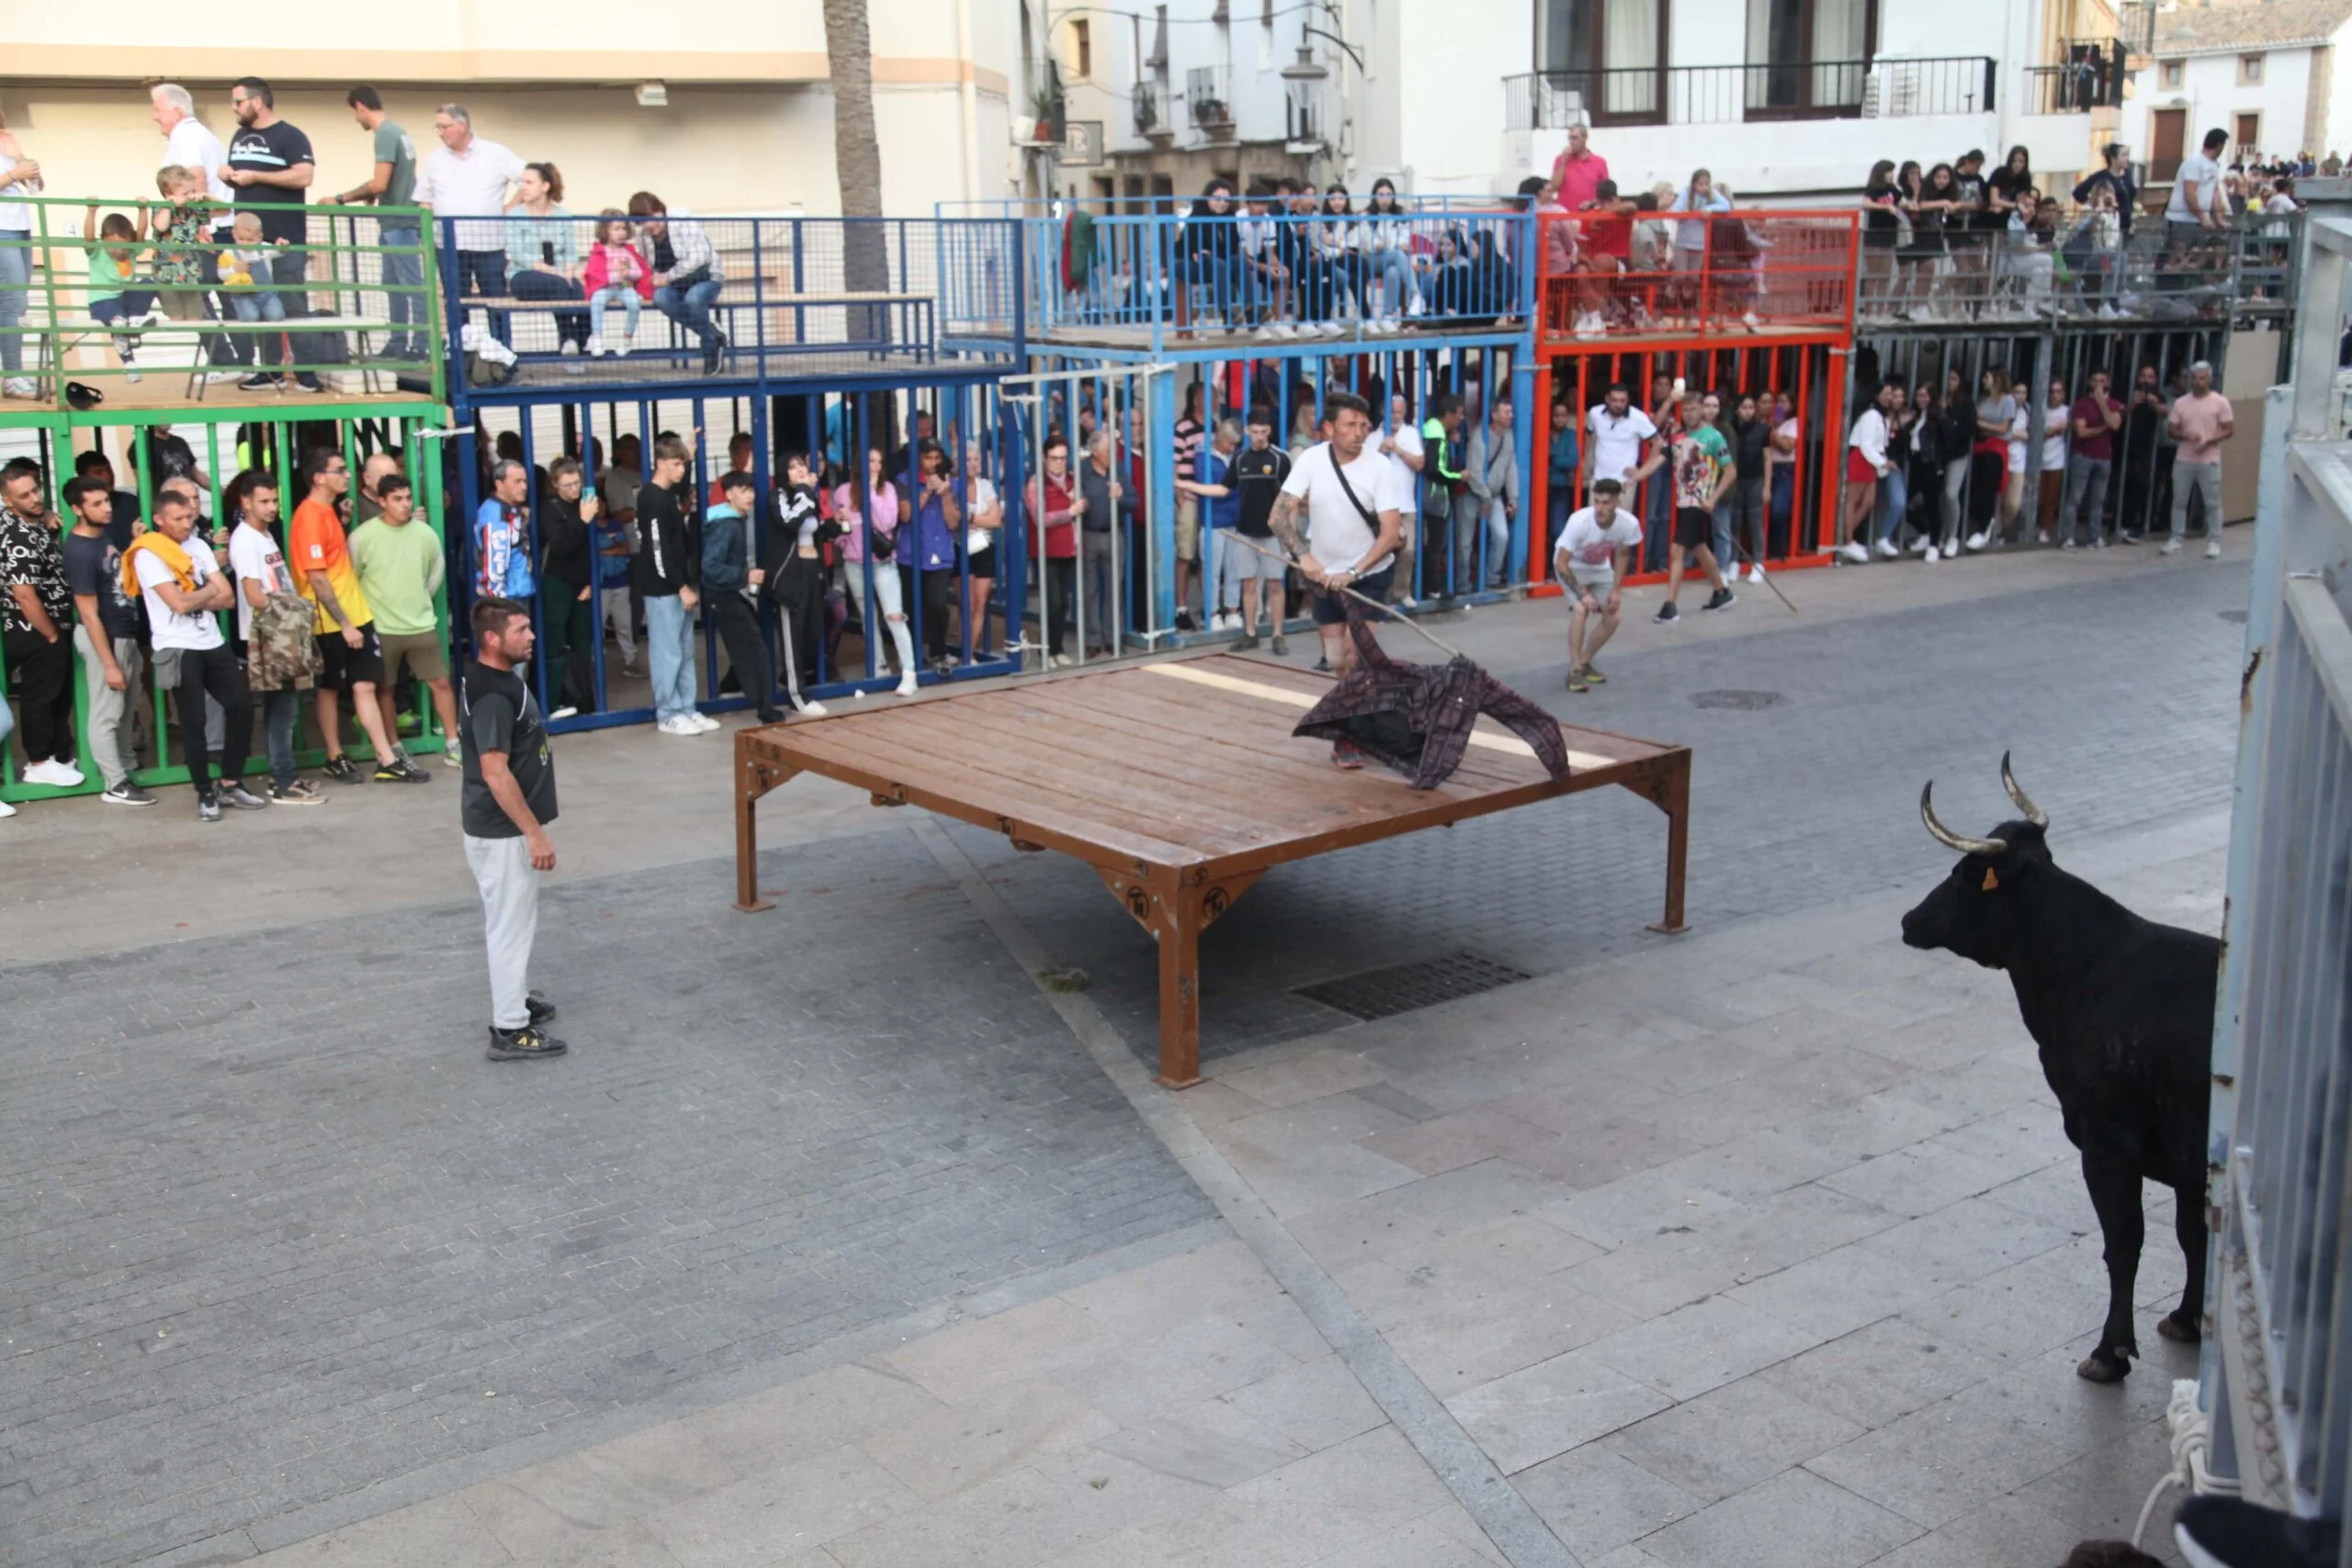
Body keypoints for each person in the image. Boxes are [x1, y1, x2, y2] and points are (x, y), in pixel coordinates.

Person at [1268, 391, 1408, 755]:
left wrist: (1353, 570)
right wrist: (1304, 556)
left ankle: (1351, 735)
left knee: (1355, 654)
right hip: (1323, 575)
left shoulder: (1380, 466)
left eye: (1363, 425)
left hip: (1370, 574)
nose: (1359, 432)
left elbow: (1390, 533)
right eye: (1350, 425)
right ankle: (1356, 717)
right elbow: (1278, 516)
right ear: (1329, 428)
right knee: (1335, 660)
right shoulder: (1311, 460)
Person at [459, 595, 567, 1063]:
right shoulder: (493, 697)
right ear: (492, 638)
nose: (531, 637)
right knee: (509, 928)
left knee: (513, 922)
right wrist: (534, 833)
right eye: (521, 630)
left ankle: (515, 999)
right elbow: (495, 772)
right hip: (503, 833)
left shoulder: (494, 680)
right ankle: (509, 1029)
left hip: (502, 830)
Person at [123, 491, 266, 819]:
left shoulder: (199, 545)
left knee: (241, 707)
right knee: (194, 721)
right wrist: (207, 592)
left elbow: (228, 597)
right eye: (178, 519)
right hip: (177, 645)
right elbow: (179, 604)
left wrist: (199, 595)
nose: (188, 524)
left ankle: (231, 781)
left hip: (211, 641)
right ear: (159, 519)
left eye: (190, 517)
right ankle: (204, 791)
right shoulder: (148, 553)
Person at [288, 448, 418, 783]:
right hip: (332, 620)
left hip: (355, 614)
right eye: (341, 470)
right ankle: (335, 754)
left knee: (365, 684)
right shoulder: (309, 516)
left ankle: (386, 759)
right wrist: (344, 623)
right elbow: (316, 577)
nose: (348, 475)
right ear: (319, 477)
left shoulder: (328, 511)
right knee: (331, 686)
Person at [221, 470, 324, 806]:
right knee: (282, 712)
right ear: (245, 502)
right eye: (264, 501)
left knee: (283, 710)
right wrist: (295, 610)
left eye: (274, 500)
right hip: (270, 636)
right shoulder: (246, 539)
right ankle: (283, 780)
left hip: (281, 633)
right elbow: (254, 595)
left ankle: (285, 776)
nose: (271, 507)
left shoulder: (263, 536)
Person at [219, 77, 325, 393]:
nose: (234, 108)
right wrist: (227, 175)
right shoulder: (239, 136)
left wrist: (256, 176)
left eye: (238, 102)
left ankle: (307, 373)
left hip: (285, 237)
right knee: (258, 302)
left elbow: (304, 175)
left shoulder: (291, 136)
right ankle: (270, 371)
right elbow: (242, 180)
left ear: (258, 102)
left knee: (292, 303)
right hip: (248, 243)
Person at [351, 471, 460, 772]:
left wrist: (419, 599)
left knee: (440, 682)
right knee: (385, 689)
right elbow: (353, 578)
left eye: (409, 498)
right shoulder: (363, 536)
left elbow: (435, 572)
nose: (405, 504)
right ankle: (394, 747)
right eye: (397, 499)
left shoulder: (425, 534)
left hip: (420, 622)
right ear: (381, 501)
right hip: (382, 626)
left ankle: (453, 744)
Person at [61, 476, 155, 805]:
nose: (106, 507)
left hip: (123, 633)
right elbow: (88, 614)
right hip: (106, 637)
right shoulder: (79, 550)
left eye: (107, 500)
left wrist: (132, 544)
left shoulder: (101, 538)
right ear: (77, 509)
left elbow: (113, 576)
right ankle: (114, 783)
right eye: (96, 503)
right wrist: (109, 663)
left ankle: (126, 767)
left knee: (126, 708)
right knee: (107, 713)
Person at [149, 84, 239, 373]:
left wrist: (202, 225)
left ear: (176, 111)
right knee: (226, 297)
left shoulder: (184, 135)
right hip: (221, 226)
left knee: (197, 296)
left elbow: (195, 177)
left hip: (208, 230)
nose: (154, 116)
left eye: (157, 109)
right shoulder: (201, 134)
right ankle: (242, 362)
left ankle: (224, 363)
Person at [328, 87, 423, 361]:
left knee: (410, 285)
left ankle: (420, 344)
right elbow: (392, 181)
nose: (355, 119)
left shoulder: (385, 134)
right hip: (396, 219)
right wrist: (373, 194)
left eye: (353, 113)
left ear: (360, 107)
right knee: (393, 284)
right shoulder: (397, 131)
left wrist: (340, 198)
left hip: (399, 220)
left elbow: (380, 181)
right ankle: (398, 341)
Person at [0, 460, 79, 784]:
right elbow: (24, 594)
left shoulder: (24, 521)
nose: (34, 498)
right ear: (8, 500)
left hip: (42, 625)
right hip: (33, 628)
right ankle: (39, 762)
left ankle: (59, 756)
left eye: (35, 489)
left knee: (55, 694)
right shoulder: (18, 536)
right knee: (41, 697)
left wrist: (45, 517)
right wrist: (49, 633)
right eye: (25, 495)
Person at [634, 433, 712, 733]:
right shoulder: (651, 497)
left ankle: (686, 708)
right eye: (677, 464)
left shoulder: (666, 494)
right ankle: (668, 713)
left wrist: (690, 454)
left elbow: (681, 484)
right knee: (668, 652)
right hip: (663, 589)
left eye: (683, 464)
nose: (681, 471)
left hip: (677, 587)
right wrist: (679, 585)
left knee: (684, 650)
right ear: (661, 463)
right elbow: (657, 549)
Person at [831, 446, 920, 694]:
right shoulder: (842, 492)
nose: (875, 466)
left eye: (879, 462)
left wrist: (871, 493)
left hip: (882, 563)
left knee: (894, 615)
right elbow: (839, 528)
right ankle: (879, 667)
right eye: (871, 461)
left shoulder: (887, 490)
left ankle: (909, 671)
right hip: (854, 563)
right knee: (867, 617)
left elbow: (886, 523)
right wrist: (843, 540)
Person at [414, 103, 523, 300]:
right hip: (449, 246)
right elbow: (424, 200)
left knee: (496, 302)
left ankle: (497, 334)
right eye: (437, 127)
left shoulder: (495, 153)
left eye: (444, 127)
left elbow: (530, 179)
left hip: (489, 245)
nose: (440, 132)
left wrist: (509, 207)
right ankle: (458, 333)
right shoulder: (434, 160)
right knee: (455, 304)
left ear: (462, 126)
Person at [1208, 412, 1293, 653]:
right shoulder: (1240, 458)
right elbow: (1224, 489)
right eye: (1255, 432)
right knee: (1248, 584)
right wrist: (1185, 485)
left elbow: (1291, 497)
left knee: (1275, 584)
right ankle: (1250, 632)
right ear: (1247, 431)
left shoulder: (1280, 459)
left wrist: (1287, 533)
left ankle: (1278, 635)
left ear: (1270, 431)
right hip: (1245, 532)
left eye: (1263, 432)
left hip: (1272, 534)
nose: (1259, 437)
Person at [701, 469, 780, 721]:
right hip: (721, 594)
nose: (750, 496)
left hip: (724, 593)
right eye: (744, 491)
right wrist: (745, 576)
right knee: (754, 646)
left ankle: (733, 685)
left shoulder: (733, 520)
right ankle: (765, 707)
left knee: (749, 636)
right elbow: (710, 566)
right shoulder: (727, 525)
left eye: (752, 490)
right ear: (728, 495)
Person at [1656, 390, 1736, 622]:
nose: (1689, 414)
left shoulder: (1714, 437)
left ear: (1702, 409)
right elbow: (1659, 460)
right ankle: (1722, 591)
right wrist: (1634, 477)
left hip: (1698, 501)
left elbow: (1730, 471)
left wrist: (1713, 498)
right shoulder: (1678, 436)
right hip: (1683, 499)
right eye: (1686, 409)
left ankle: (1669, 605)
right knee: (1699, 546)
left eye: (1693, 409)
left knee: (1677, 550)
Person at [761, 454, 831, 712]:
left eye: (802, 465)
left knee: (811, 632)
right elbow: (790, 521)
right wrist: (805, 490)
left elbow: (815, 528)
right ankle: (797, 695)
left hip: (812, 570)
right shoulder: (778, 496)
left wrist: (833, 525)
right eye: (792, 467)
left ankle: (794, 680)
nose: (800, 470)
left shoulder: (807, 496)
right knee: (792, 636)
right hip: (790, 575)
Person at [628, 193, 728, 376]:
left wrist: (668, 276)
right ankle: (712, 333)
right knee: (661, 297)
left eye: (653, 216)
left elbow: (700, 257)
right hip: (676, 284)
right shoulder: (642, 237)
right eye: (644, 221)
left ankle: (709, 348)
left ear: (661, 211)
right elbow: (648, 264)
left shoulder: (683, 222)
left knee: (694, 298)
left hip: (706, 277)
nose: (650, 224)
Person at [1555, 478, 1640, 693]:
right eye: (1597, 502)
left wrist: (1615, 590)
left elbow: (1622, 554)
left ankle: (1584, 662)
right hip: (1571, 566)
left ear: (1616, 504)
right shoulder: (1579, 521)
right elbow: (1561, 563)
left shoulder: (1628, 524)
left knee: (1614, 615)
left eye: (1605, 503)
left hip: (1600, 567)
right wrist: (1582, 594)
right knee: (1580, 610)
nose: (1599, 508)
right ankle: (1574, 671)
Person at [536, 457, 599, 719]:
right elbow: (561, 546)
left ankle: (584, 699)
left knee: (583, 644)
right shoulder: (550, 508)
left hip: (580, 583)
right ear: (555, 484)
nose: (574, 489)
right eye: (567, 485)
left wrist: (590, 581)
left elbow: (590, 549)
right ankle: (553, 701)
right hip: (557, 581)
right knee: (555, 643)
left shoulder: (582, 505)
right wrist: (583, 521)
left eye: (577, 483)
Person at [503, 162, 585, 354]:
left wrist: (569, 271)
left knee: (581, 291)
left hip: (560, 275)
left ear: (545, 186)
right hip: (524, 276)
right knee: (559, 285)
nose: (523, 187)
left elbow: (571, 251)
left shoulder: (562, 215)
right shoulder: (515, 215)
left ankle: (579, 344)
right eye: (522, 182)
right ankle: (568, 339)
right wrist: (553, 272)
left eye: (529, 182)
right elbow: (517, 254)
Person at [899, 440, 963, 671]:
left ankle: (938, 651)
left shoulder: (952, 484)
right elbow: (906, 516)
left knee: (939, 605)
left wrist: (945, 495)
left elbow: (954, 523)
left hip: (941, 554)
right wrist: (927, 491)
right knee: (912, 608)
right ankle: (914, 657)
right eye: (928, 457)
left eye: (937, 458)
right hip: (911, 555)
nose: (933, 463)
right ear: (919, 458)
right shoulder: (905, 480)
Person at [1025, 434, 1082, 667]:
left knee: (1064, 603)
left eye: (1062, 458)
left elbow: (1085, 503)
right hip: (1046, 550)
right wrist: (1070, 511)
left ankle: (1057, 649)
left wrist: (1081, 504)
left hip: (1070, 549)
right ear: (1044, 458)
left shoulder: (1072, 481)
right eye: (1054, 458)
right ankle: (1047, 650)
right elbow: (1040, 518)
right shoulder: (1035, 484)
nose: (1058, 463)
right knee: (1053, 602)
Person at [2165, 360, 2233, 558]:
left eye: (2202, 378)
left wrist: (2210, 440)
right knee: (2179, 500)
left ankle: (2214, 541)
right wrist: (2186, 436)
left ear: (2210, 379)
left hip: (2209, 459)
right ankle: (2177, 538)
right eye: (2194, 378)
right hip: (2184, 458)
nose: (2198, 382)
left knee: (2212, 502)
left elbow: (2229, 429)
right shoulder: (2181, 403)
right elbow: (2172, 429)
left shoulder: (2220, 402)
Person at [1838, 378, 1900, 563]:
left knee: (1868, 502)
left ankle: (1845, 536)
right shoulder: (1872, 415)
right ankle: (1847, 540)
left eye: (1891, 393)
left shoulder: (1880, 415)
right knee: (1853, 501)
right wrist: (1883, 462)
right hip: (1863, 459)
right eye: (1886, 393)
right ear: (1877, 395)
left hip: (1870, 461)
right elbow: (1865, 444)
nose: (1889, 397)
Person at [1074, 430, 1125, 657]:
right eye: (1108, 451)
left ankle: (1113, 638)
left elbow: (1133, 501)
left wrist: (1121, 497)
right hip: (1089, 534)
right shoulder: (1081, 472)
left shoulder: (1118, 470)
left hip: (1113, 534)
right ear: (1095, 453)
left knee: (1114, 589)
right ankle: (1093, 640)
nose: (1112, 455)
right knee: (1090, 589)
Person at [2060, 370, 2123, 549]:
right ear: (2089, 382)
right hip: (2083, 455)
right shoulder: (2081, 404)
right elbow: (2081, 432)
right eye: (2094, 381)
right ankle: (2068, 537)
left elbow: (2116, 424)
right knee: (2075, 498)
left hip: (2104, 458)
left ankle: (2093, 537)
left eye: (2102, 381)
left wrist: (2102, 403)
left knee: (2098, 500)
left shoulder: (2114, 404)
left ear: (2108, 383)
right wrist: (2104, 427)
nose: (2098, 385)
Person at [1465, 396, 1518, 591]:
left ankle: (1491, 578)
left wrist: (1513, 498)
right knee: (1466, 541)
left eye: (1511, 412)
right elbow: (1474, 471)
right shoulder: (1480, 437)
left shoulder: (1509, 435)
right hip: (1474, 494)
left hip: (1494, 496)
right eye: (1507, 412)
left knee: (1501, 535)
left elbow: (1511, 467)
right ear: (1494, 415)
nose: (1511, 416)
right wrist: (1485, 497)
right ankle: (1464, 583)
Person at [1378, 391, 1425, 604]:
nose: (1396, 416)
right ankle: (1379, 595)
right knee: (1380, 554)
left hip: (1406, 505)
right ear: (1383, 412)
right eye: (1392, 412)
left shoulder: (1411, 434)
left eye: (1399, 412)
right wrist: (1381, 450)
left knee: (1408, 551)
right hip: (1380, 507)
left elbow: (1419, 464)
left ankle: (1401, 593)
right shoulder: (1372, 436)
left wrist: (1396, 448)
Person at [2118, 363, 2170, 544]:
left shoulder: (2157, 395)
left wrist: (2154, 404)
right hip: (2123, 447)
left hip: (2146, 450)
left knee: (2144, 485)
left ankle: (2135, 524)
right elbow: (2119, 415)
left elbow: (2165, 412)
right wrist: (2134, 403)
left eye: (2150, 377)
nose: (2145, 380)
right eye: (2142, 376)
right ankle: (2120, 524)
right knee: (2122, 486)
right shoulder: (2128, 392)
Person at [1170, 382, 1205, 630]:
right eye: (1209, 396)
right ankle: (1181, 608)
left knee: (1207, 555)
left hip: (1211, 498)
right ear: (1196, 400)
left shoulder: (1215, 426)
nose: (1216, 400)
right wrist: (1180, 496)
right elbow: (1172, 463)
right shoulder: (1183, 428)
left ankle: (1208, 606)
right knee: (1185, 554)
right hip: (1190, 498)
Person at [1550, 122, 1610, 219]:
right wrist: (1563, 162)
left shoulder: (1599, 162)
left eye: (1575, 138)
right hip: (1565, 217)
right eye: (1570, 138)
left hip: (1589, 217)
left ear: (1585, 138)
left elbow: (1605, 193)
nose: (1571, 142)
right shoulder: (1561, 160)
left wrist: (1592, 203)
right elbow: (1555, 187)